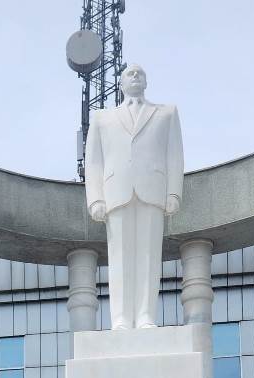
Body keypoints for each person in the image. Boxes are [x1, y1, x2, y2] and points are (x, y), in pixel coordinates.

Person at [84, 63, 184, 330]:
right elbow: (93, 161)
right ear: (121, 83)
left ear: (147, 82)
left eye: (140, 73)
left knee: (149, 256)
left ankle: (145, 315)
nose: (136, 76)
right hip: (117, 192)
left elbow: (174, 155)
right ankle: (119, 318)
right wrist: (95, 198)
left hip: (153, 191)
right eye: (130, 73)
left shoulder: (166, 114)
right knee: (119, 258)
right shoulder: (102, 118)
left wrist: (174, 192)